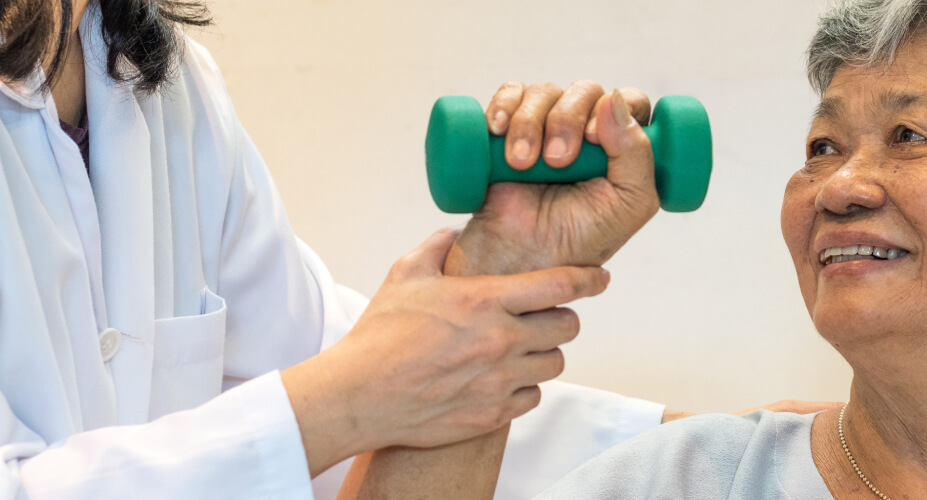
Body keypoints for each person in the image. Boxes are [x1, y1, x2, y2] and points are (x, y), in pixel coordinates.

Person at [351, 0, 927, 498]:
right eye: (823, 145)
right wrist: (506, 266)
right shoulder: (672, 487)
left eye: (908, 136)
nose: (839, 186)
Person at [0, 0, 721, 498]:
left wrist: (504, 268)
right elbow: (341, 394)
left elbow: (319, 363)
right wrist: (347, 400)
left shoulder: (167, 86)